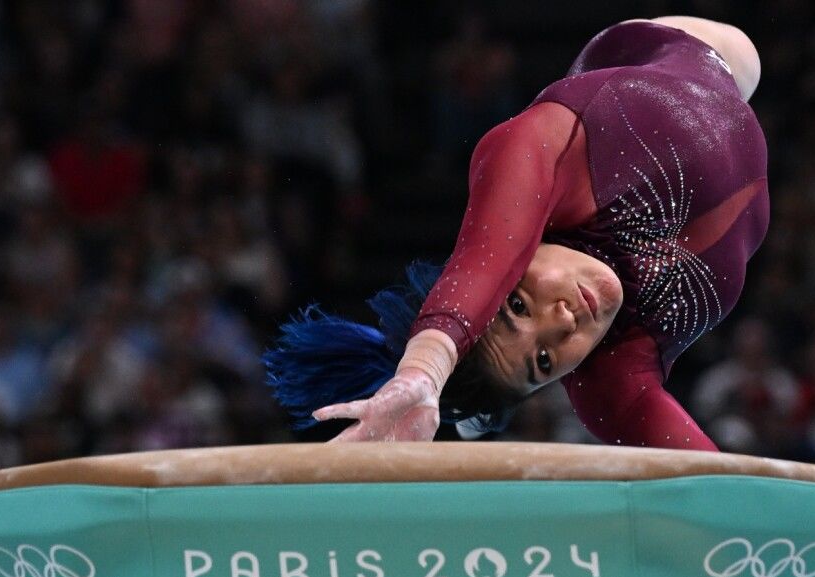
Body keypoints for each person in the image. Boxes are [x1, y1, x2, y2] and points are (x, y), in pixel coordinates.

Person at [265, 16, 767, 450]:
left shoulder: (542, 157)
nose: (562, 322)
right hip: (737, 144)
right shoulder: (615, 378)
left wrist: (423, 371)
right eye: (544, 362)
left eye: (519, 306)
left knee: (746, 53)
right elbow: (714, 486)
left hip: (675, 55)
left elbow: (482, 260)